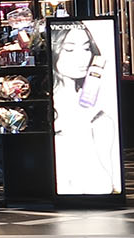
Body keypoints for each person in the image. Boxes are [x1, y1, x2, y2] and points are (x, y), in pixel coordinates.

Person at [50, 21, 119, 195]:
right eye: (69, 49)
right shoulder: (51, 105)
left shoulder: (97, 115)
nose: (82, 57)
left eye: (86, 48)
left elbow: (103, 184)